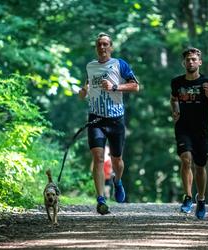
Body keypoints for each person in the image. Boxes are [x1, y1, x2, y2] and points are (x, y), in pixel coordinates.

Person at [79, 32, 139, 215]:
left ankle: (117, 181)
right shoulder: (90, 66)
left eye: (105, 44)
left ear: (110, 47)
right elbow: (85, 91)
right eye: (99, 45)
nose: (102, 47)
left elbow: (136, 86)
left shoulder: (119, 64)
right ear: (96, 48)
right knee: (97, 157)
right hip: (96, 119)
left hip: (116, 120)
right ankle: (100, 199)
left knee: (117, 161)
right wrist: (83, 91)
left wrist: (114, 87)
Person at [170, 47, 208, 219]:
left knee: (200, 166)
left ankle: (201, 199)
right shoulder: (177, 82)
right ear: (183, 63)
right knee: (186, 160)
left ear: (200, 62)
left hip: (201, 130)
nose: (191, 62)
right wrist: (175, 110)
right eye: (188, 60)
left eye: (194, 59)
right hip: (183, 128)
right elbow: (173, 99)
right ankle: (188, 197)